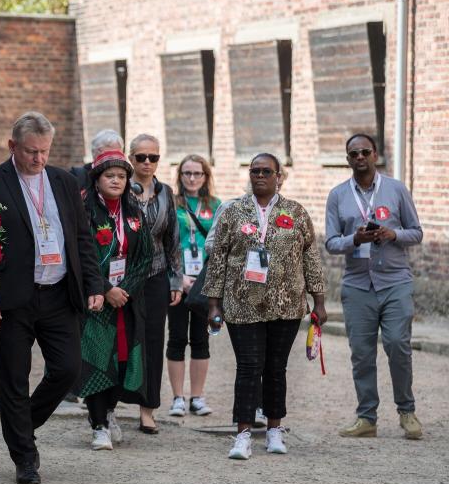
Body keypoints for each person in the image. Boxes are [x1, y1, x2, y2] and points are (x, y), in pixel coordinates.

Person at [0, 112, 104, 484]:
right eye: (31, 151)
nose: (38, 159)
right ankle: (25, 457)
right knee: (14, 379)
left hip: (58, 293)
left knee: (68, 369)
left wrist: (94, 284)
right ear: (12, 146)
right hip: (13, 298)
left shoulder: (64, 182)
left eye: (44, 151)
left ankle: (22, 423)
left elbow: (81, 236)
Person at [203, 153, 327, 460]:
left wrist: (319, 299)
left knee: (276, 368)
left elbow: (310, 257)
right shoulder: (233, 211)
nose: (260, 176)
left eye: (266, 171)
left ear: (279, 176)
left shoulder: (296, 212)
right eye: (254, 171)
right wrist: (213, 304)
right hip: (241, 302)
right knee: (248, 367)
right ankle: (243, 434)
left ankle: (274, 429)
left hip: (286, 303)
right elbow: (218, 259)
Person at [325, 133, 424, 440]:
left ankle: (407, 412)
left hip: (395, 281)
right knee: (362, 353)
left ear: (375, 154)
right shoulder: (338, 195)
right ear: (347, 159)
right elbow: (330, 242)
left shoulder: (395, 189)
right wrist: (355, 239)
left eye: (365, 152)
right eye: (353, 153)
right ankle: (366, 417)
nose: (360, 157)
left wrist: (393, 234)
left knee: (397, 344)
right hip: (358, 285)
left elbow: (416, 232)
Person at [77, 149, 152, 451]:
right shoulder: (84, 211)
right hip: (97, 299)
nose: (116, 181)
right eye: (110, 176)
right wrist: (106, 288)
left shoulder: (134, 212)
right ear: (97, 179)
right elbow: (81, 256)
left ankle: (110, 412)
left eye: (121, 176)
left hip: (127, 301)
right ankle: (98, 425)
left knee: (122, 359)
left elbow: (145, 256)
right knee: (97, 359)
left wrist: (126, 290)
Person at [128, 134, 183, 434]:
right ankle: (109, 405)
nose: (147, 163)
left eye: (153, 157)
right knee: (123, 339)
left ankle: (148, 409)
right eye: (141, 157)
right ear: (130, 158)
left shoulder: (166, 193)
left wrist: (176, 278)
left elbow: (172, 239)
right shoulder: (122, 190)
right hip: (125, 278)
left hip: (157, 276)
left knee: (152, 342)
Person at [166, 154, 222, 417]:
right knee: (177, 338)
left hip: (205, 283)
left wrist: (204, 281)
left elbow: (221, 246)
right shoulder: (171, 203)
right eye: (186, 173)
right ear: (180, 177)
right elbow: (165, 244)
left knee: (201, 339)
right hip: (178, 281)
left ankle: (197, 397)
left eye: (197, 173)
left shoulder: (215, 205)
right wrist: (179, 278)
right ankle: (177, 397)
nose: (191, 178)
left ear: (205, 177)